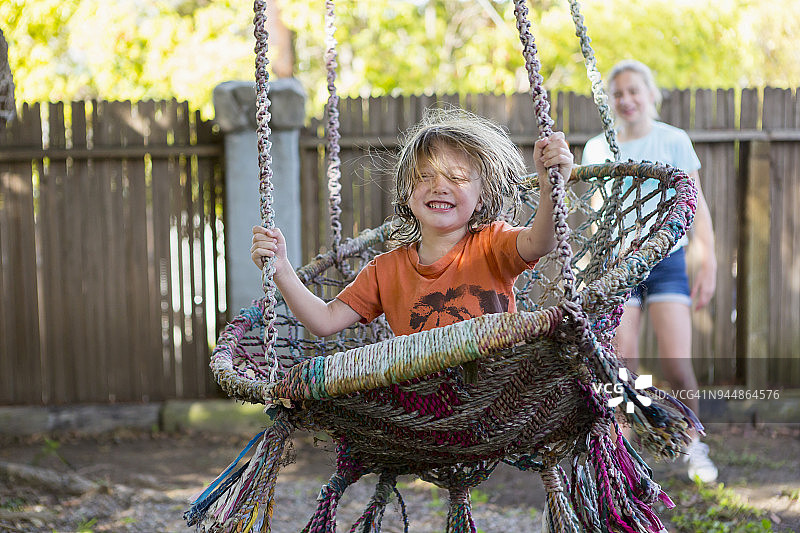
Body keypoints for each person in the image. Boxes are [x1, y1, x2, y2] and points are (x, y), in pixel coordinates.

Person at [250, 107, 570, 340]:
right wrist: (281, 269)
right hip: (423, 411)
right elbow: (323, 320)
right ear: (406, 194)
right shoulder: (385, 271)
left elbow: (542, 241)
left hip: (493, 394)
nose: (439, 186)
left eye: (456, 178)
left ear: (482, 197)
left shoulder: (492, 243)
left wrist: (549, 188)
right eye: (425, 177)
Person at [581, 60, 718, 482]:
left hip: (667, 263)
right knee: (623, 363)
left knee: (676, 364)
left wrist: (707, 258)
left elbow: (695, 205)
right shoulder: (596, 149)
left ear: (650, 94)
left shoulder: (672, 141)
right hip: (620, 265)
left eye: (633, 90)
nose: (626, 99)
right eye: (617, 93)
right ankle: (625, 450)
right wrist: (592, 270)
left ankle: (694, 444)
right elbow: (596, 218)